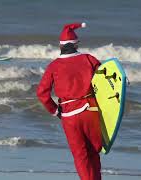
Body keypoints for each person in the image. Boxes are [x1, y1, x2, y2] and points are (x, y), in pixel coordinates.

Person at [36, 22, 102, 180]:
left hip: (69, 116)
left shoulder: (53, 66)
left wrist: (55, 110)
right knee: (93, 152)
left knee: (80, 156)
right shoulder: (89, 59)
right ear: (75, 44)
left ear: (60, 46)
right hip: (91, 111)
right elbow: (107, 78)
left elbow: (42, 93)